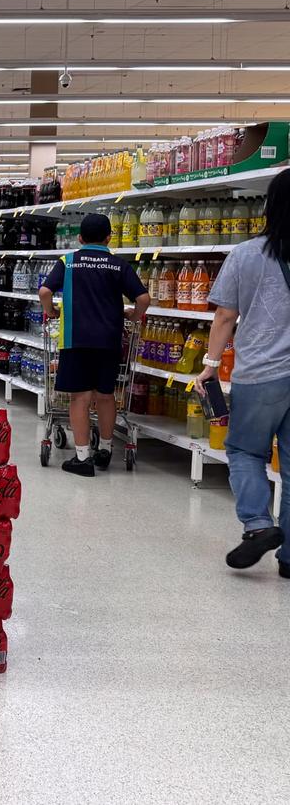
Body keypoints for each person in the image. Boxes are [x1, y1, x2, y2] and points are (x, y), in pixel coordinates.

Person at [194, 169, 290, 576]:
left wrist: (211, 365)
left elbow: (225, 317)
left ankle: (257, 526)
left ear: (269, 206)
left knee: (244, 451)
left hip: (261, 373)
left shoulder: (247, 255)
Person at [39, 213, 150, 477]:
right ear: (109, 238)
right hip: (109, 339)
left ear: (79, 238)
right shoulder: (118, 265)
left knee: (80, 397)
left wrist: (52, 310)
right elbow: (143, 298)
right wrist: (133, 316)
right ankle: (107, 449)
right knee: (105, 395)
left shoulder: (67, 262)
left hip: (75, 339)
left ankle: (82, 457)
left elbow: (45, 291)